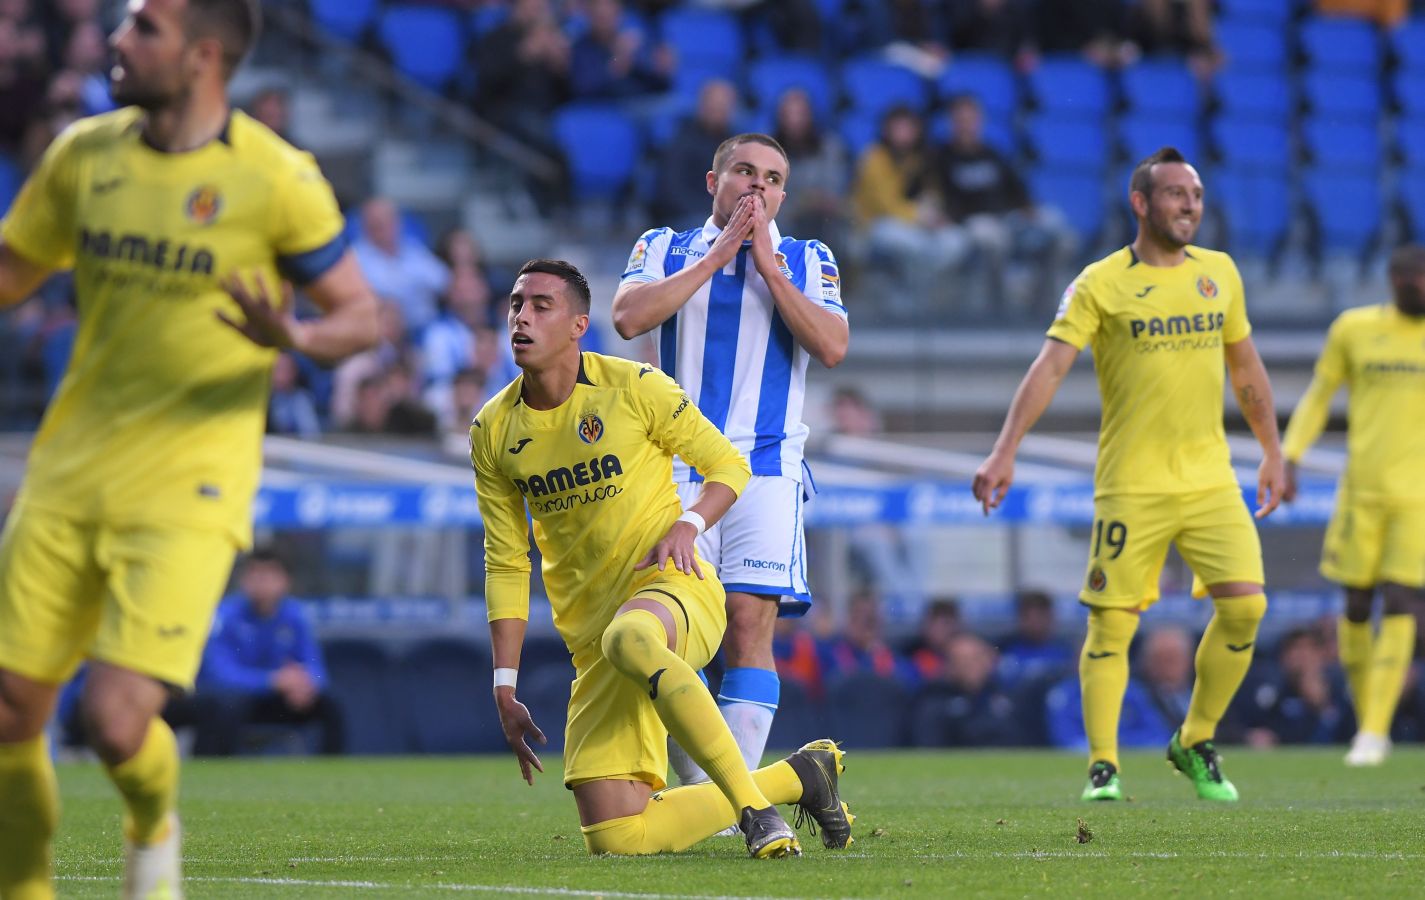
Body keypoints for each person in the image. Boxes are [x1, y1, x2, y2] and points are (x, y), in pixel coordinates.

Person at [0, 2, 380, 897]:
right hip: (68, 471)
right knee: (13, 709)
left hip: (191, 483)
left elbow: (361, 317)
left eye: (142, 28)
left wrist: (291, 334)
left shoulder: (277, 178)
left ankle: (151, 823)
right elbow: (14, 270)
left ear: (204, 56)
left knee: (116, 723)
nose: (116, 42)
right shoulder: (84, 154)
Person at [472, 259, 853, 858]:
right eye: (516, 303)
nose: (523, 316)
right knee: (617, 838)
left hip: (674, 589)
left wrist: (689, 522)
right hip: (596, 642)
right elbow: (505, 561)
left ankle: (757, 815)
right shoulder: (492, 430)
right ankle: (798, 777)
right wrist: (504, 681)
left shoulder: (636, 386)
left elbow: (729, 465)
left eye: (542, 305)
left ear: (578, 326)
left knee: (633, 637)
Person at [972, 147, 1285, 803]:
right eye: (1174, 194)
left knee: (1247, 605)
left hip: (1208, 479)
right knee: (1111, 626)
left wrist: (1272, 451)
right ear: (1139, 203)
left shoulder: (1219, 274)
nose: (1189, 206)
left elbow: (1246, 367)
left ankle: (1193, 739)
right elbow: (1050, 366)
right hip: (1131, 484)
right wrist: (1004, 450)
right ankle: (1104, 765)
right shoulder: (1098, 283)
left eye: (1195, 195)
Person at [611, 133, 849, 796]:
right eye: (743, 171)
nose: (757, 187)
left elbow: (832, 346)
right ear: (711, 180)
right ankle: (744, 796)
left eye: (772, 179)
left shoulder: (806, 258)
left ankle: (724, 802)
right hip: (676, 468)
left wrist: (768, 270)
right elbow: (628, 317)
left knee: (747, 626)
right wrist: (719, 256)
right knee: (678, 636)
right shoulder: (661, 245)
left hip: (766, 467)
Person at [1280, 244, 1425, 767]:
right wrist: (1290, 454)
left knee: (1404, 600)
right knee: (1358, 606)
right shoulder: (1354, 329)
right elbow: (1321, 394)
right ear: (1396, 281)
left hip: (1417, 498)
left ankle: (1373, 730)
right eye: (1415, 279)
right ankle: (1370, 724)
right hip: (1361, 492)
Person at [182, 547, 344, 756]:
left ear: (285, 581)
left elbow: (316, 667)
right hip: (240, 699)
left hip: (280, 699)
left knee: (330, 704)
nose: (261, 582)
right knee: (225, 705)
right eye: (254, 574)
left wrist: (306, 685)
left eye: (269, 575)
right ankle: (216, 771)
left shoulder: (295, 616)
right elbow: (218, 675)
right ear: (243, 580)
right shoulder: (225, 615)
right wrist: (272, 680)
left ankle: (332, 775)